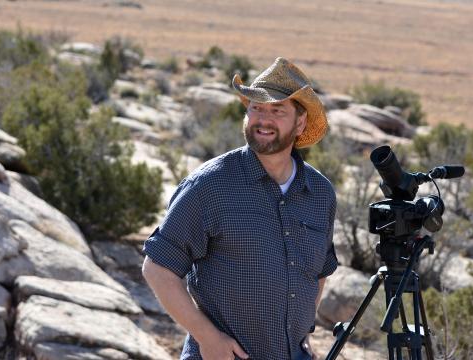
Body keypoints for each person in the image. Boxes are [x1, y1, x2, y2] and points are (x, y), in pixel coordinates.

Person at [142, 57, 338, 360]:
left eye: (277, 110)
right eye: (256, 107)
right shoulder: (209, 186)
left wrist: (305, 333)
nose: (263, 119)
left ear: (300, 122)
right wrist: (208, 338)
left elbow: (318, 270)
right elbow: (157, 268)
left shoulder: (320, 193)